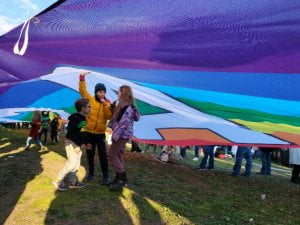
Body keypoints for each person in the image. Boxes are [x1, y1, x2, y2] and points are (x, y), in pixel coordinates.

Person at [79, 71, 112, 185]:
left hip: (100, 133)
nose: (102, 94)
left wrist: (105, 105)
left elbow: (109, 116)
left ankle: (105, 175)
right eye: (100, 91)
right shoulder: (90, 99)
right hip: (89, 132)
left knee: (103, 154)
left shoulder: (108, 103)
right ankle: (91, 173)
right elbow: (83, 91)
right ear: (96, 92)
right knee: (90, 153)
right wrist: (82, 77)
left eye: (103, 92)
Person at [53, 98, 91, 191]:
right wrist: (75, 146)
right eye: (89, 107)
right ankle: (59, 179)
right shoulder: (75, 118)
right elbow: (71, 134)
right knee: (72, 163)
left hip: (78, 144)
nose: (90, 108)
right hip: (71, 143)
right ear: (83, 108)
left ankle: (73, 182)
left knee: (76, 164)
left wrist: (86, 143)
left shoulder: (83, 119)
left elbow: (83, 133)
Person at [107, 85, 140, 191]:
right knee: (118, 154)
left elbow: (123, 124)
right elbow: (117, 119)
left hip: (121, 135)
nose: (118, 94)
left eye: (119, 92)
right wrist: (113, 109)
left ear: (124, 93)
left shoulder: (128, 107)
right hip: (121, 134)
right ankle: (118, 178)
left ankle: (122, 178)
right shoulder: (122, 105)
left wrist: (116, 135)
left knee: (111, 154)